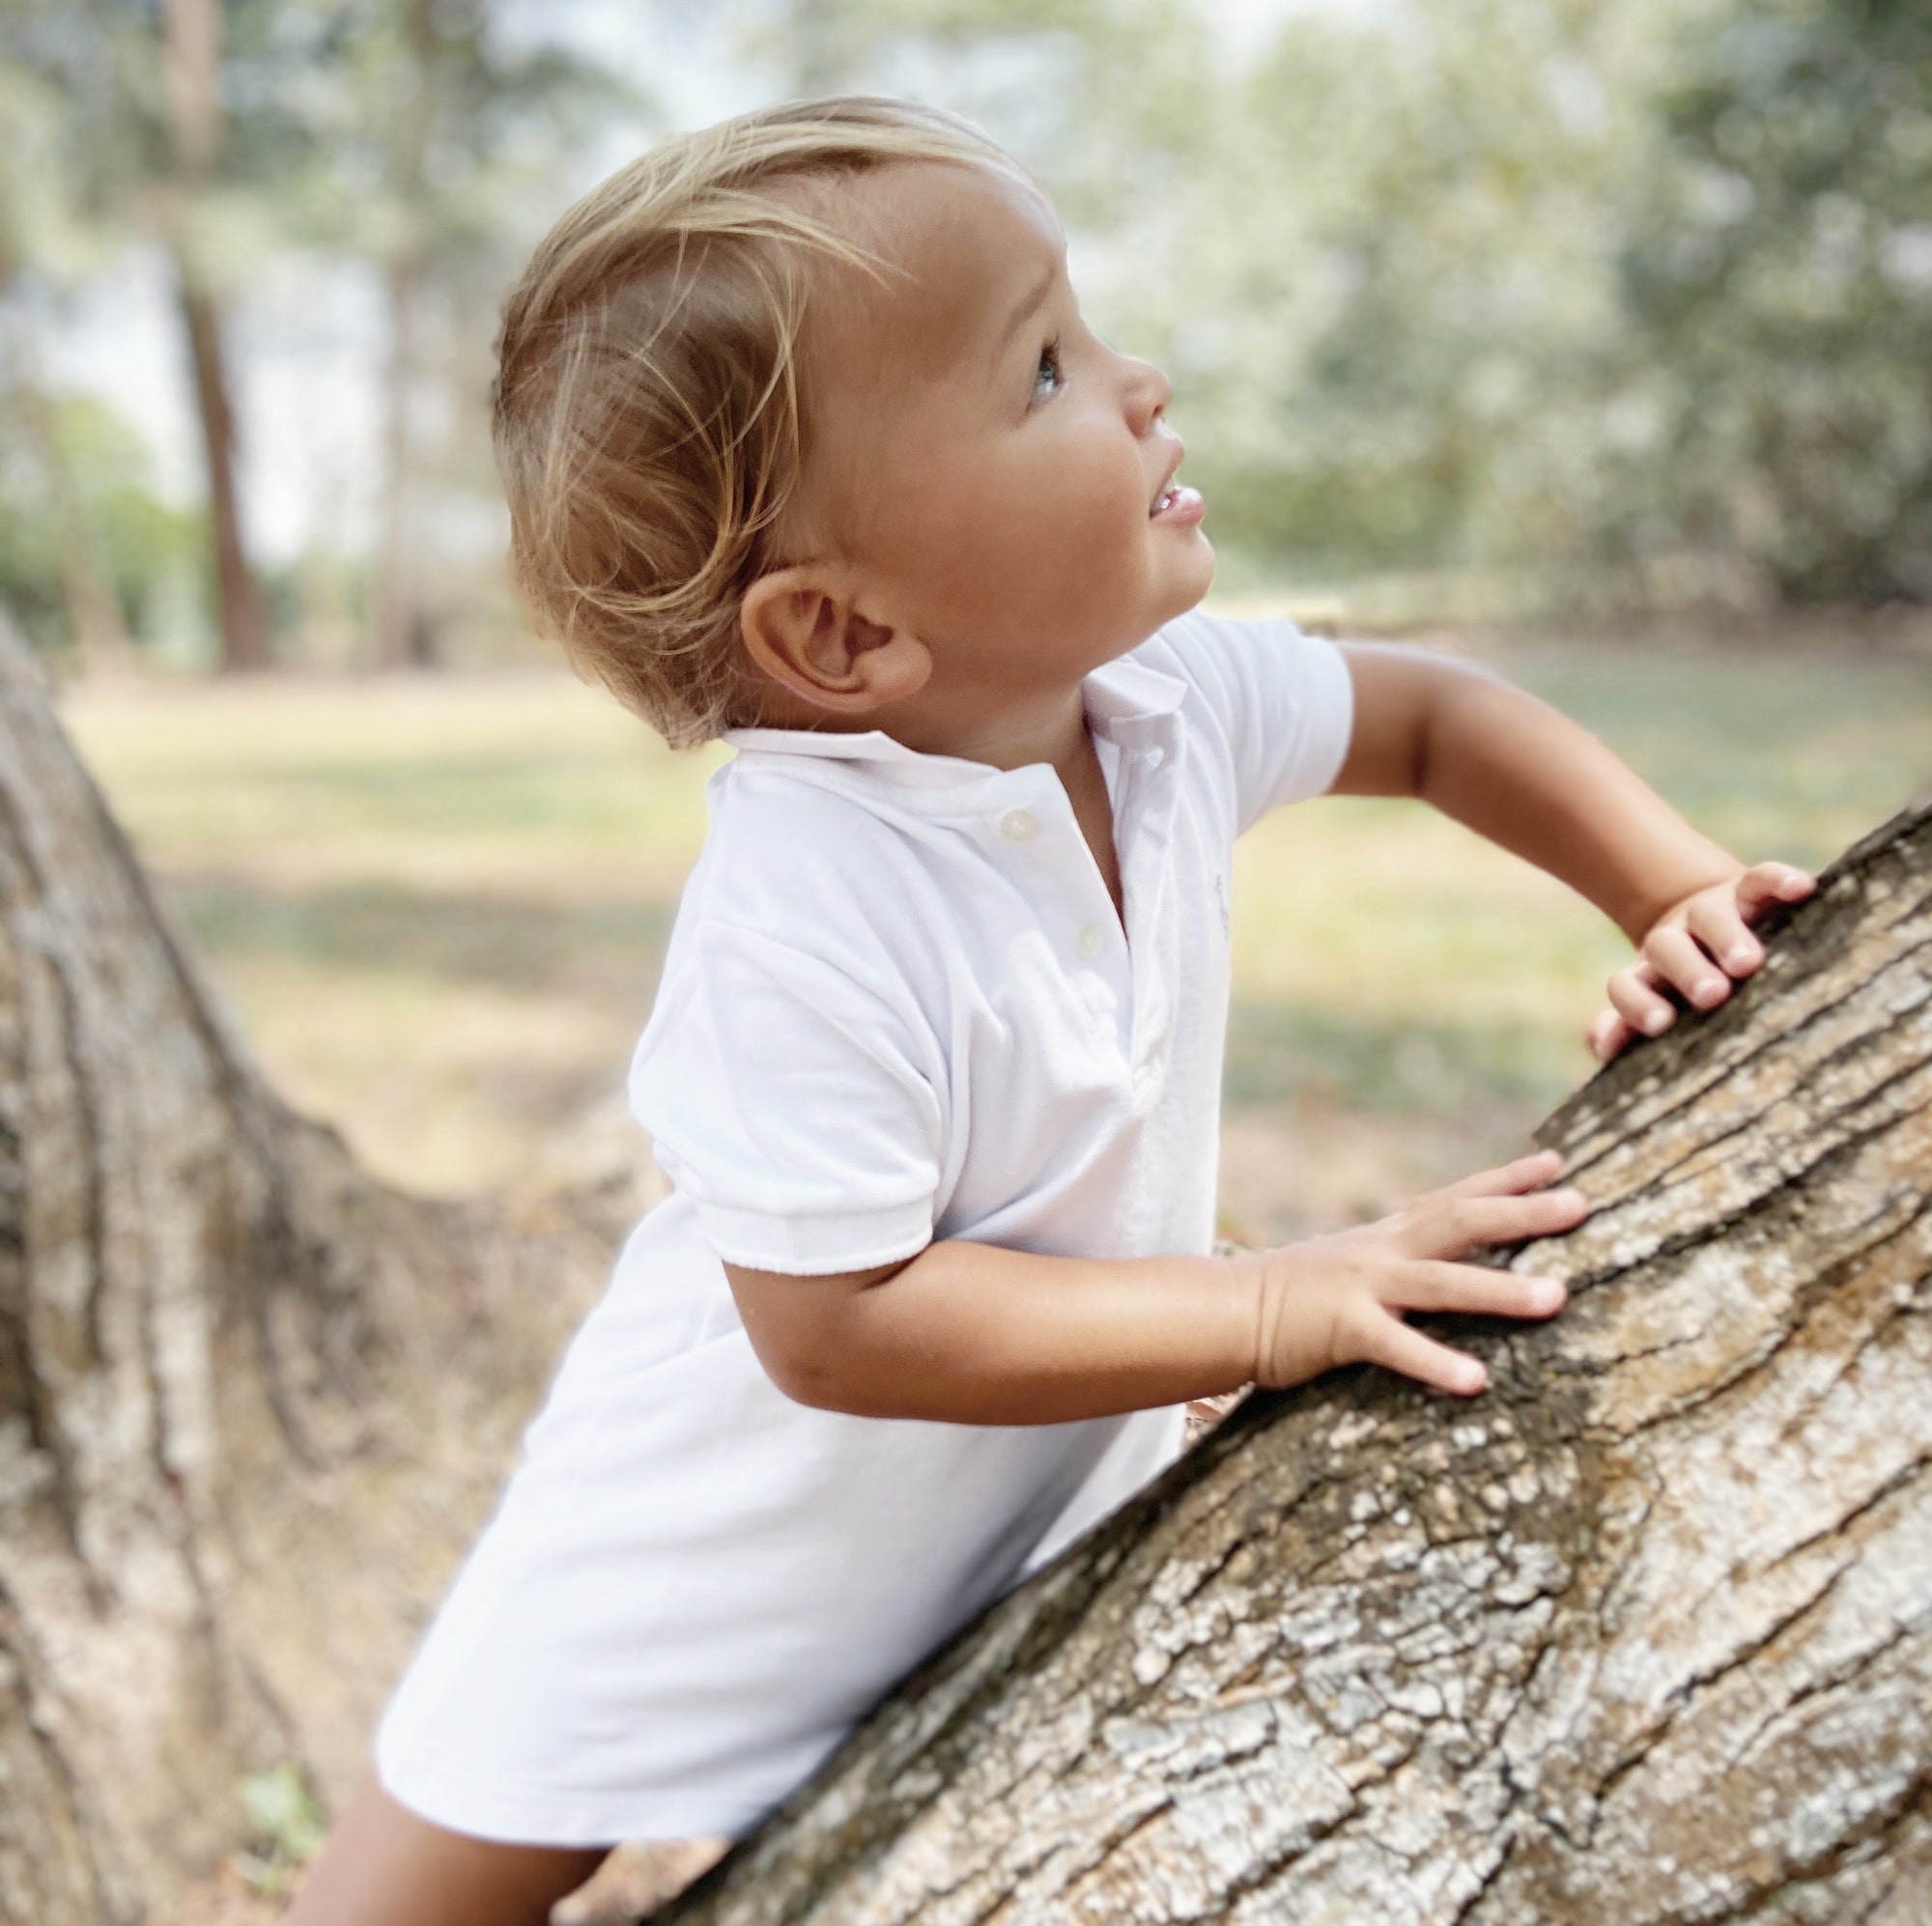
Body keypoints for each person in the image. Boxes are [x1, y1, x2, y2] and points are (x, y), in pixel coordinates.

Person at [285, 96, 1816, 1925]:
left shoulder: (1161, 704)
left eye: (1084, 328)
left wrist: (1675, 887)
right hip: (709, 1560)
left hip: (986, 1542)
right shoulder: (808, 900)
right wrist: (1263, 1303)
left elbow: (1432, 718)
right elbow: (838, 1324)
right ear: (844, 636)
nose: (1142, 380)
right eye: (1041, 372)